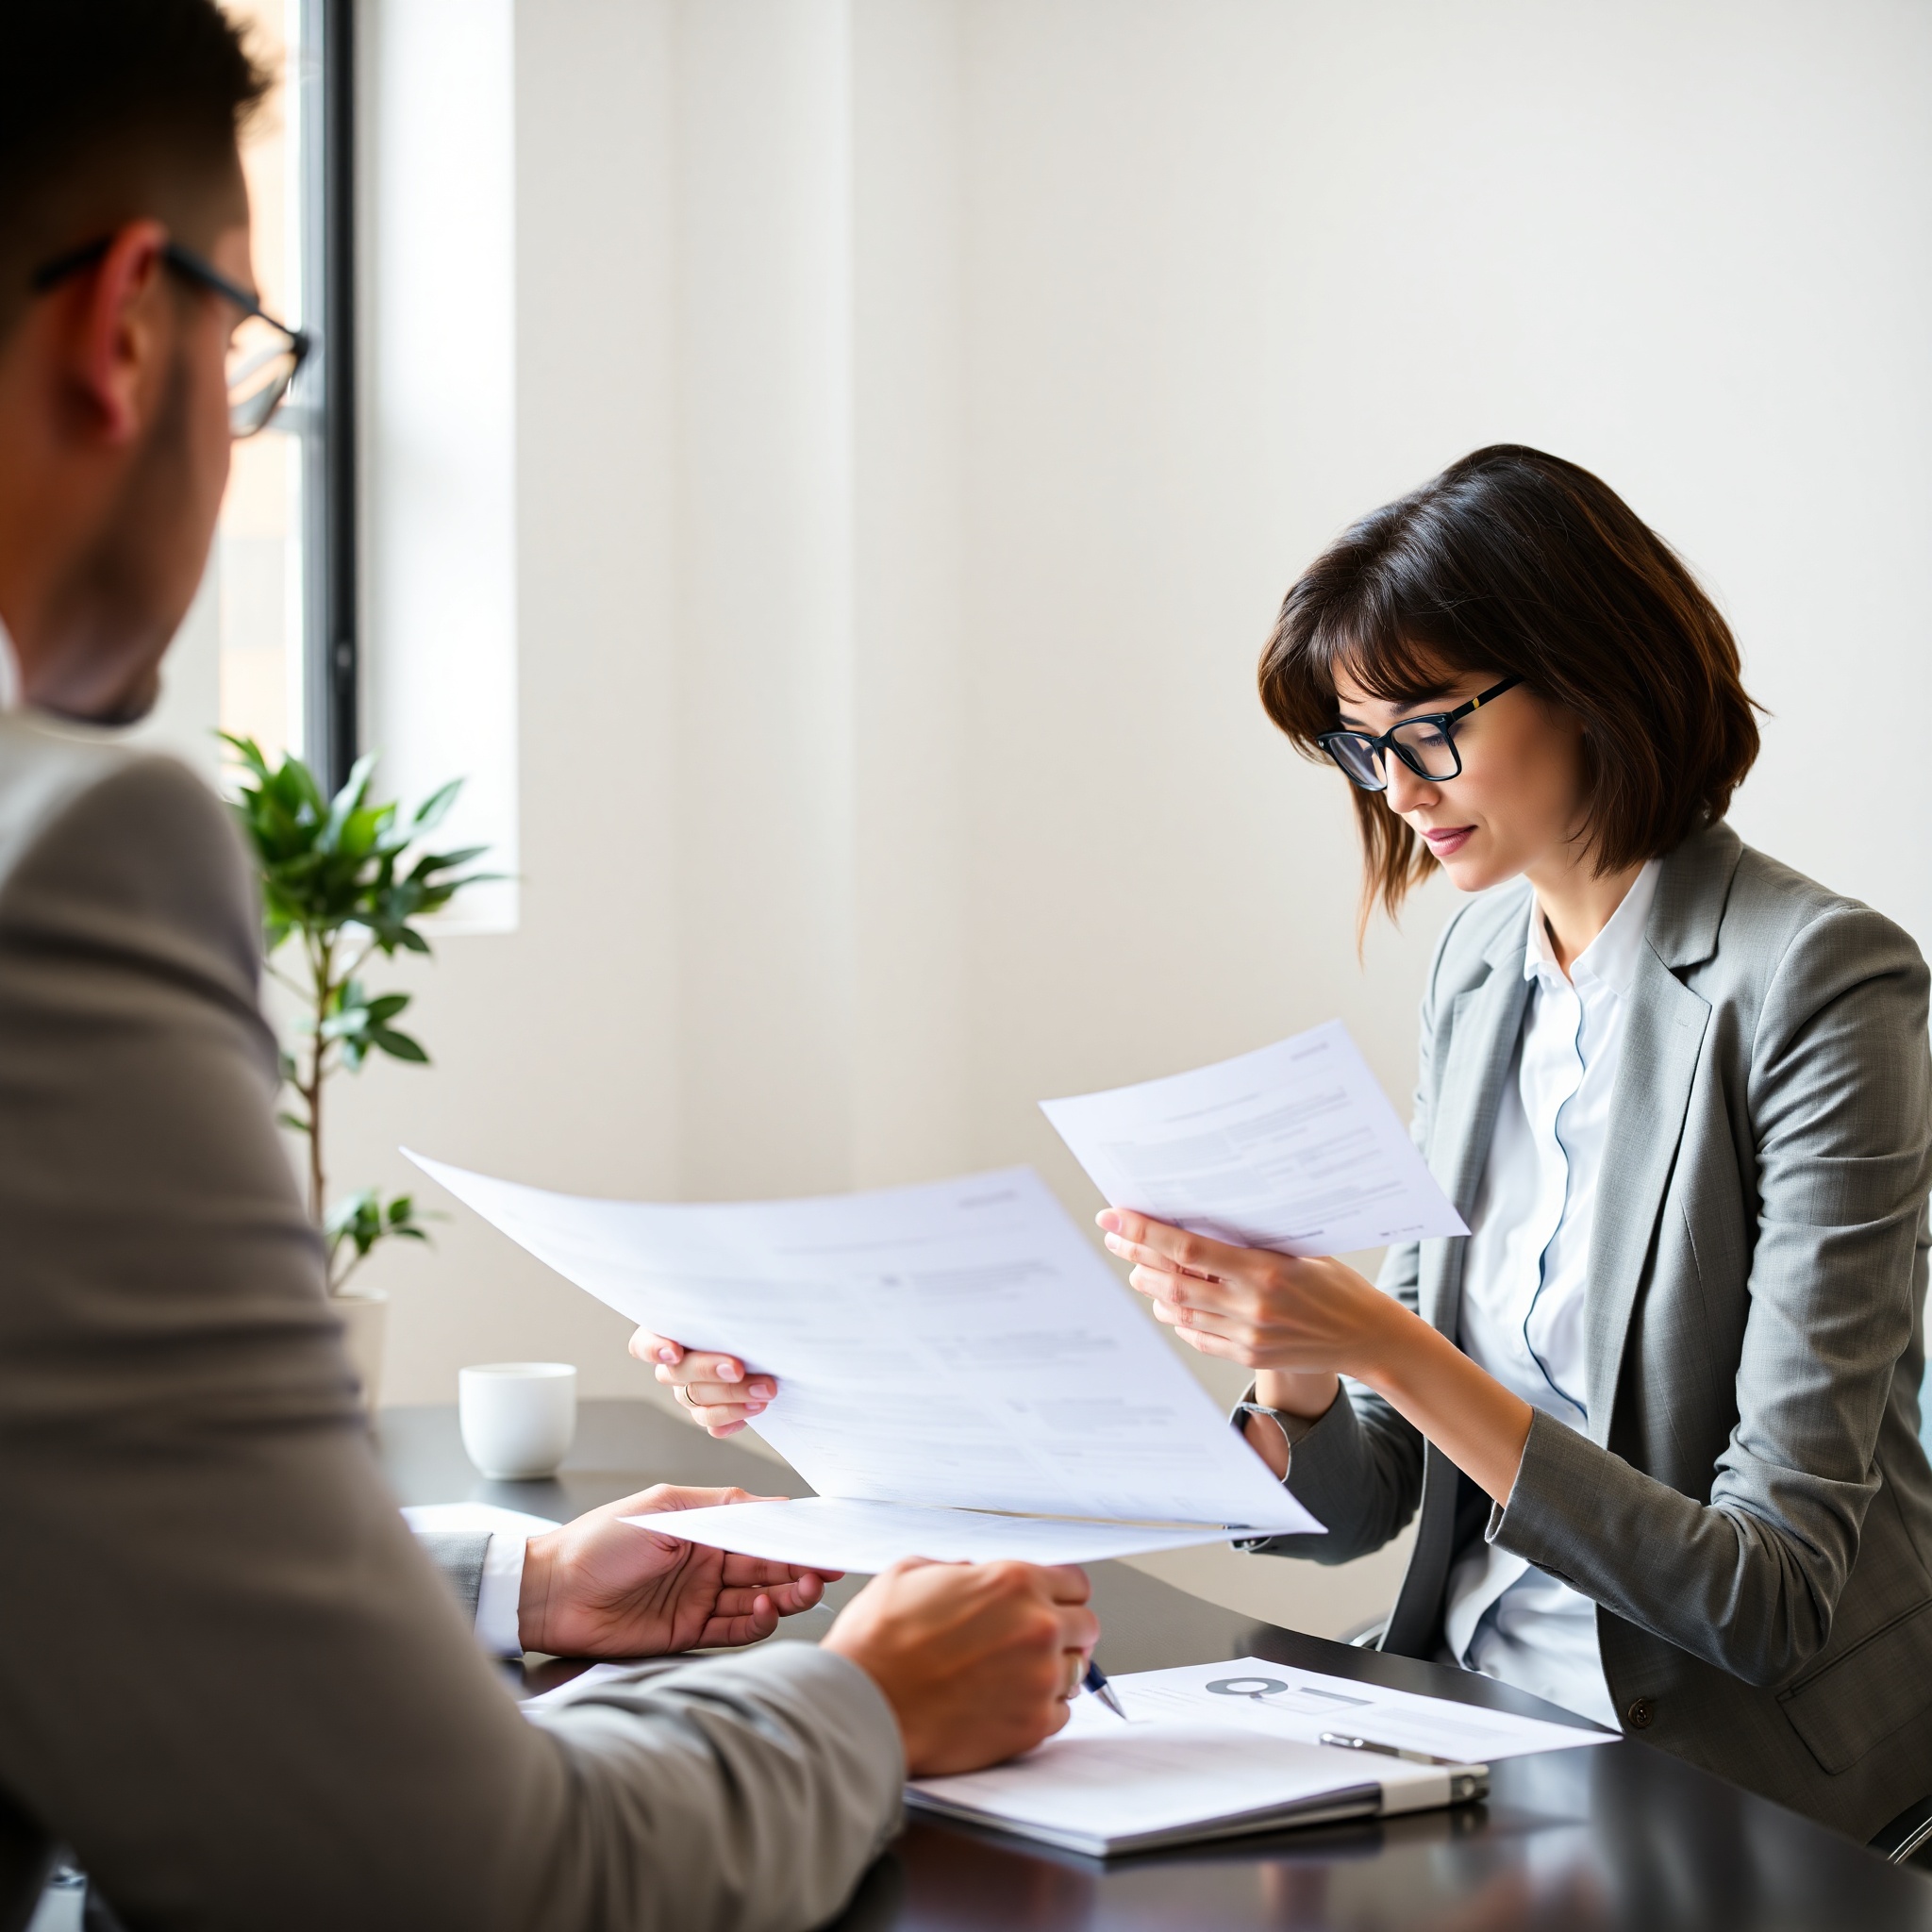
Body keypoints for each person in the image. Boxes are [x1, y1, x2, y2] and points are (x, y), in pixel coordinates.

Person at [0, 6, 1097, 1929]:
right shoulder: (70, 864)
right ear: (121, 330)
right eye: (251, 349)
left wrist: (515, 1587)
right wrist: (860, 1696)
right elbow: (455, 1874)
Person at [646, 446, 1932, 1845]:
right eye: (1361, 744)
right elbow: (1359, 1505)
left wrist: (1388, 1344)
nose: (1392, 785)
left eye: (1427, 729)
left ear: (1591, 673)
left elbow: (1767, 1593)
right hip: (1478, 1705)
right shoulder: (1486, 964)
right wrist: (1305, 1368)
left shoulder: (1818, 983)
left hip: (1735, 1768)